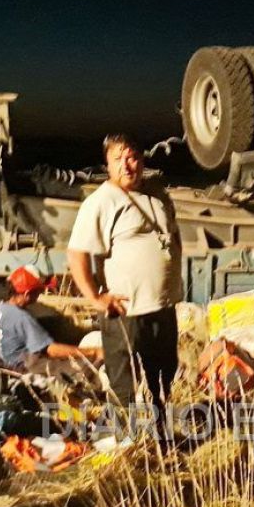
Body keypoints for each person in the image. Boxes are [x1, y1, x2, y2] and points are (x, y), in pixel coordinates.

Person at [67, 134, 183, 413]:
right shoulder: (100, 202)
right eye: (117, 159)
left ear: (141, 160)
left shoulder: (157, 194)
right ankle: (126, 443)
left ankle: (157, 441)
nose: (126, 166)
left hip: (162, 308)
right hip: (126, 312)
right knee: (125, 384)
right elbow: (76, 253)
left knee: (163, 378)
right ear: (107, 163)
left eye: (131, 157)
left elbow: (172, 235)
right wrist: (96, 297)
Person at [0, 265, 102, 376]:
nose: (40, 295)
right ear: (27, 294)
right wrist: (93, 351)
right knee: (85, 366)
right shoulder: (21, 318)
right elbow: (51, 350)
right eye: (39, 291)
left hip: (9, 360)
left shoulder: (2, 307)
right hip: (28, 367)